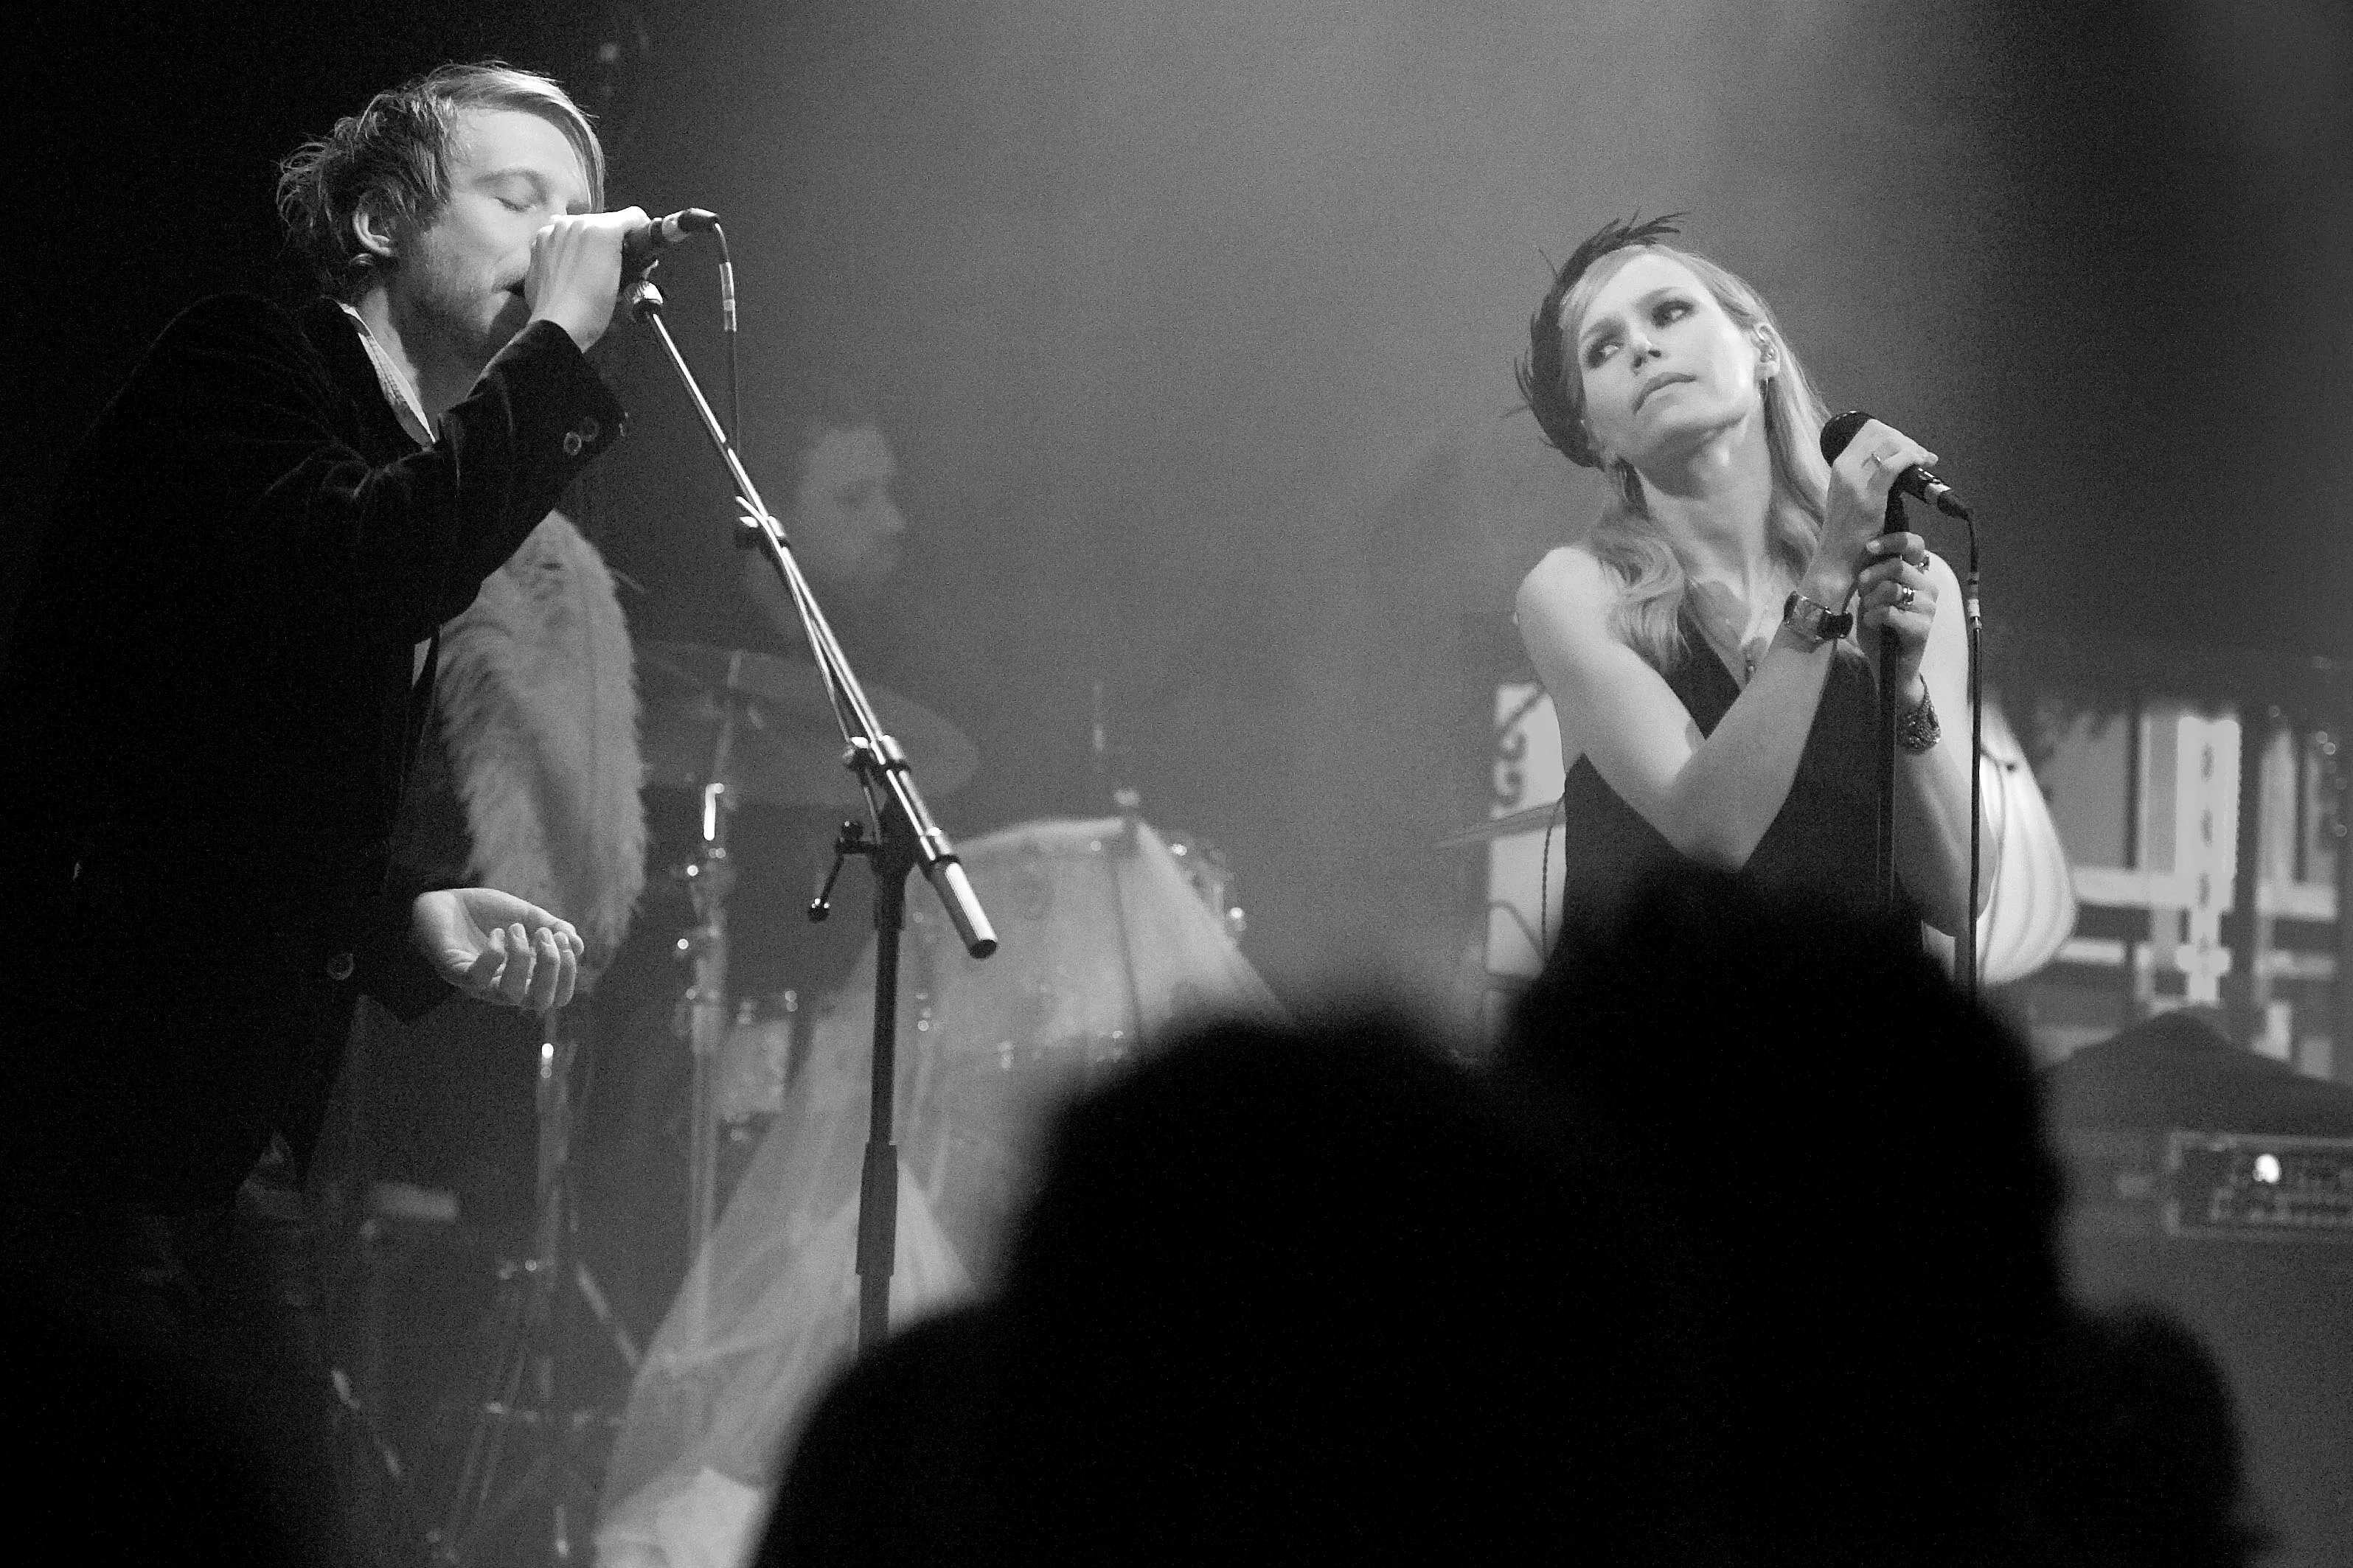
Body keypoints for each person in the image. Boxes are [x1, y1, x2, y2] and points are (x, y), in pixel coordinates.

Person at [0, 62, 642, 1553]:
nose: (561, 234)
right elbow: (353, 574)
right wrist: (559, 342)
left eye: (576, 207)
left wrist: (407, 910)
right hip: (78, 1080)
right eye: (518, 197)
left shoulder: (406, 464)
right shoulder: (238, 367)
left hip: (216, 1122)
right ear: (376, 218)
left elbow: (224, 782)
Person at [1512, 214, 1982, 935]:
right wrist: (1827, 576)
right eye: (1602, 348)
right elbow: (1711, 838)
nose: (1641, 347)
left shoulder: (1913, 583)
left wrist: (1902, 692)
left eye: (1669, 312)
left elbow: (1958, 897)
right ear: (1592, 435)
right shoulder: (1575, 591)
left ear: (1759, 348)